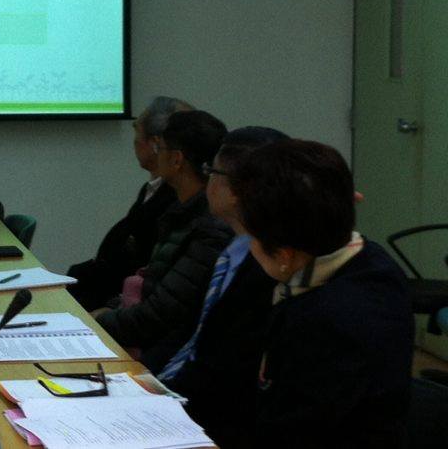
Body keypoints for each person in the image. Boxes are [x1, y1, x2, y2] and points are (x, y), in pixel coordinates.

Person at [230, 139, 413, 449]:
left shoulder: (324, 320)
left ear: (284, 254)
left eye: (252, 238)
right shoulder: (366, 257)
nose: (249, 247)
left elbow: (290, 432)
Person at [158, 127, 285, 449]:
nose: (207, 181)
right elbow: (190, 331)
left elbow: (227, 371)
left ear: (239, 190)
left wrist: (159, 399)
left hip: (213, 422)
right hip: (179, 394)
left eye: (212, 172)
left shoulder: (272, 267)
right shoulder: (233, 248)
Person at [94, 110, 231, 372]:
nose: (155, 154)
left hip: (157, 358)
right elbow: (151, 285)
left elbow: (160, 315)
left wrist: (97, 321)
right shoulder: (179, 211)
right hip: (140, 334)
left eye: (160, 148)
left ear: (177, 159)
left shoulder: (209, 229)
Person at [67, 96, 192, 311]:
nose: (134, 142)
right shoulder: (152, 190)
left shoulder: (174, 200)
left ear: (155, 144)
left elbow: (136, 265)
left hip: (115, 305)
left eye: (137, 133)